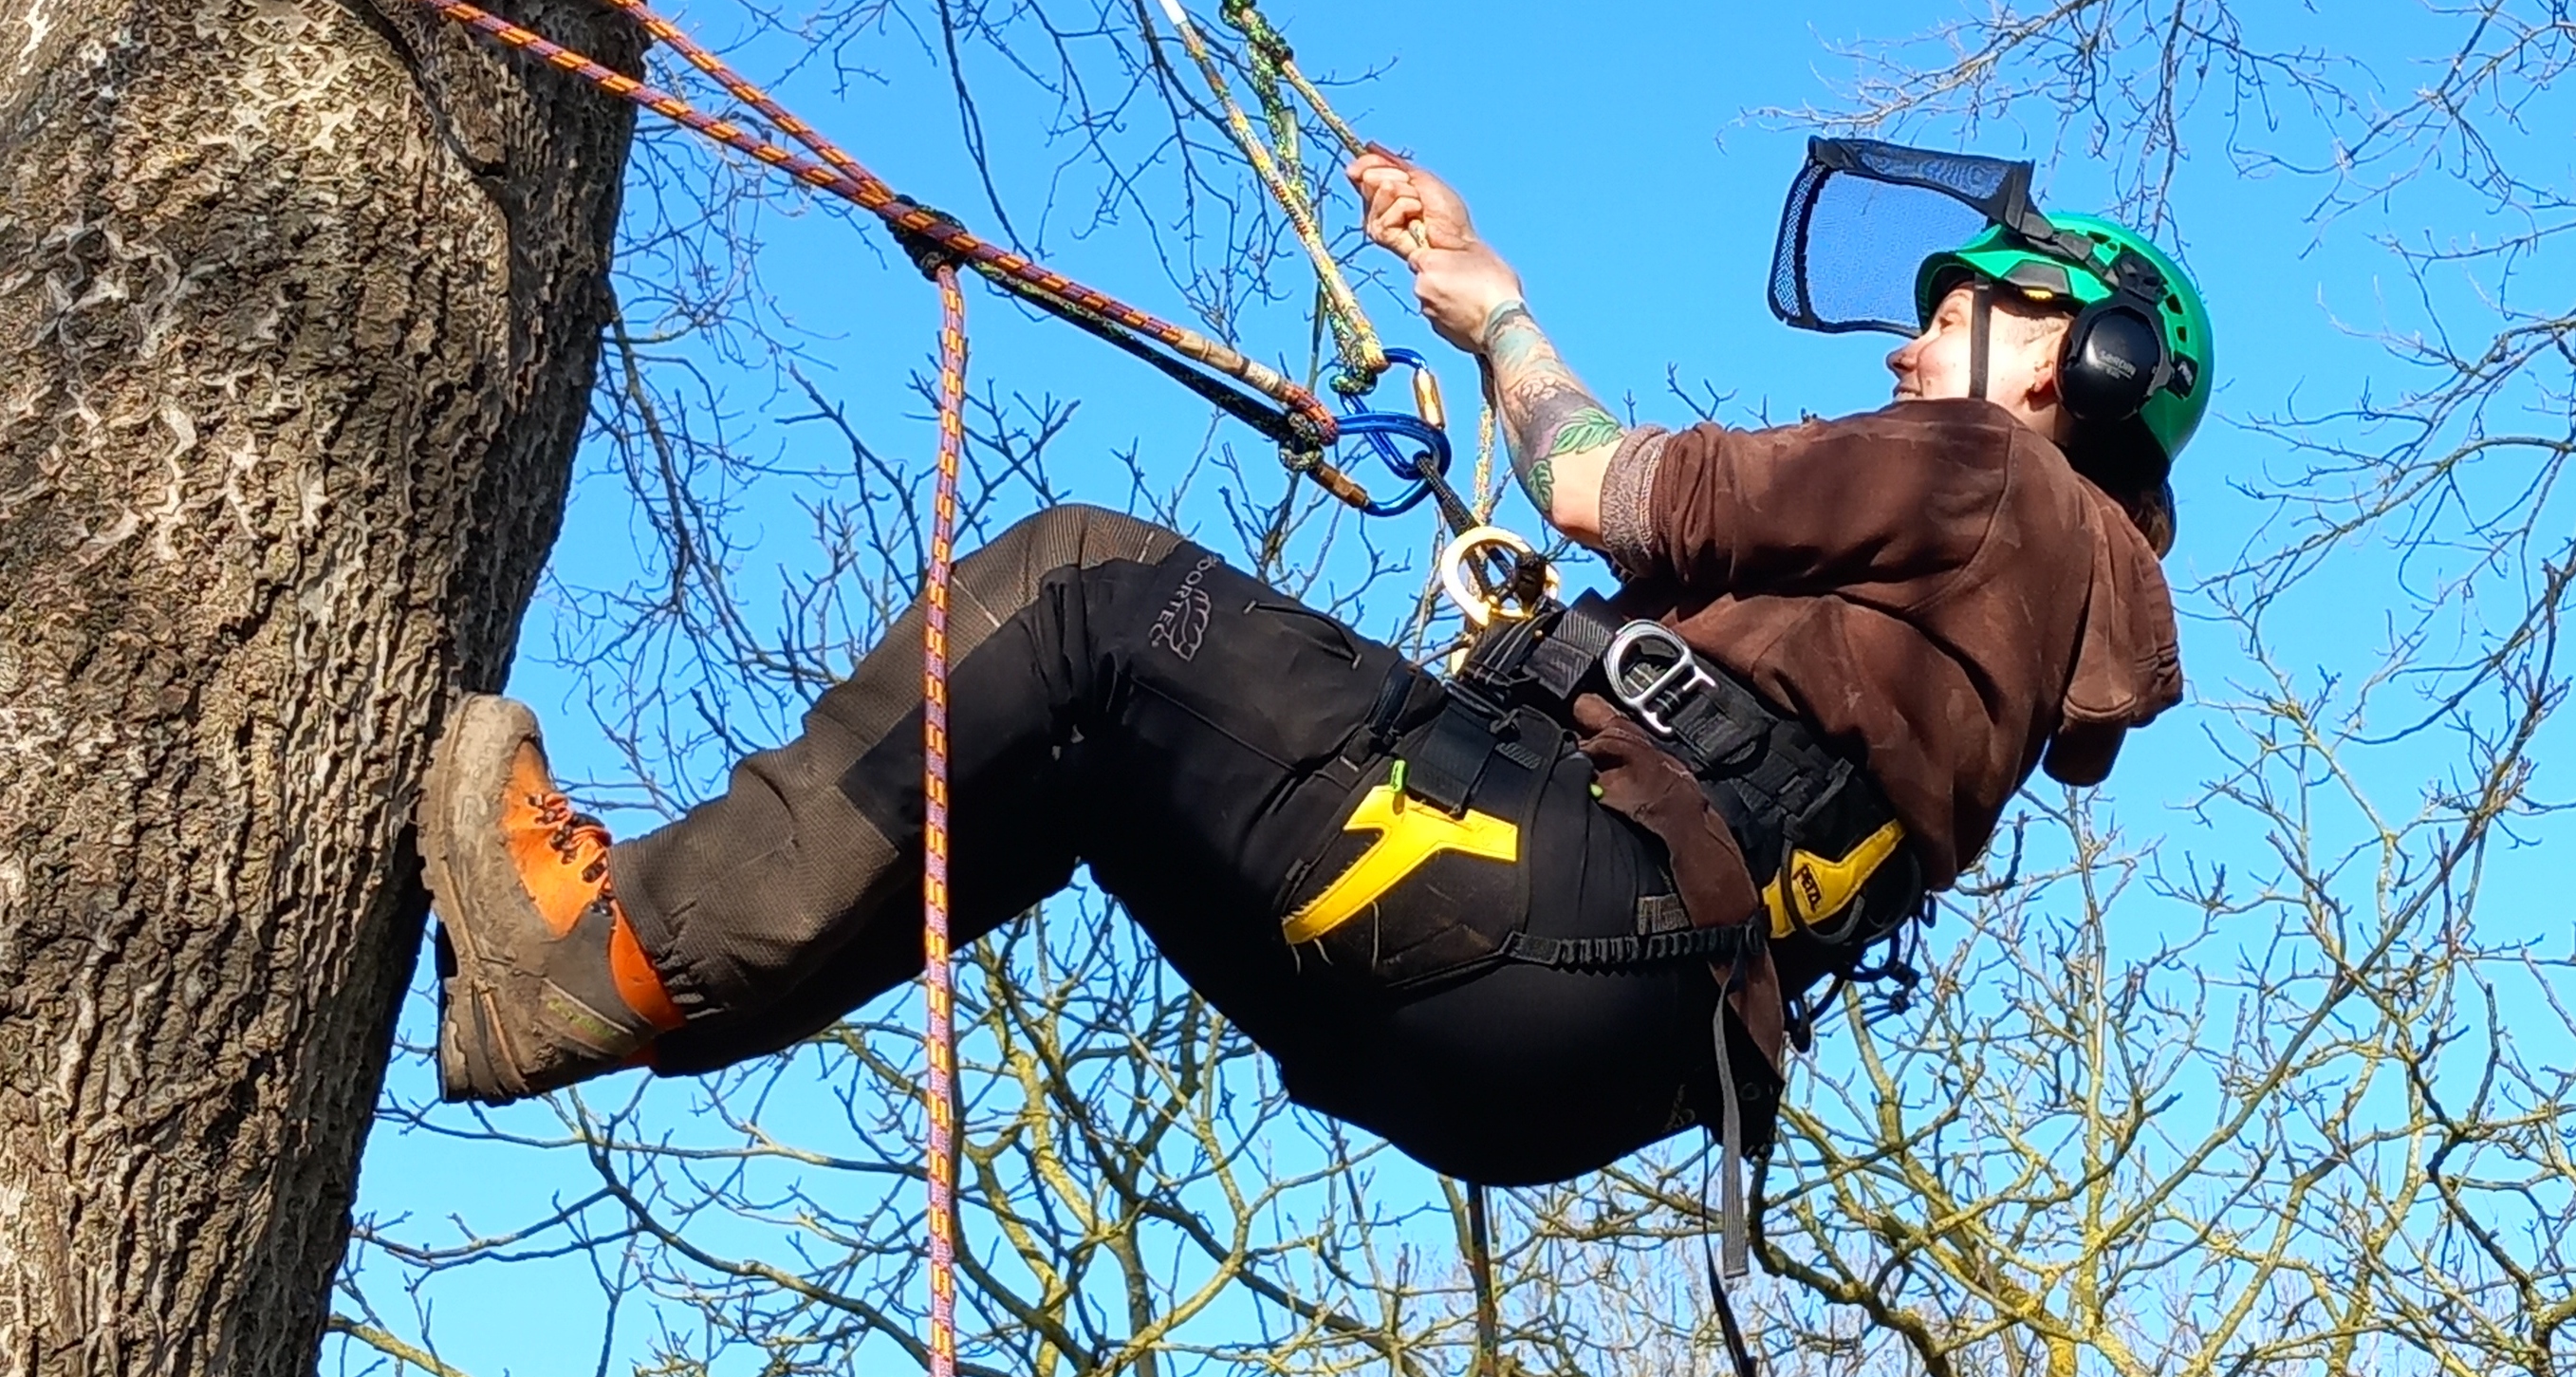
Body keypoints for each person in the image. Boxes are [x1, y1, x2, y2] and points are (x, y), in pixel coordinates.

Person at [417, 151, 2202, 1186]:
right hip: (1592, 1057)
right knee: (1076, 766)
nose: (1906, 346)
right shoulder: (2038, 628)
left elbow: (1602, 481)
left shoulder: (1987, 477)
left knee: (1080, 593)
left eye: (1960, 310)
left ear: (2076, 363)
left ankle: (609, 950)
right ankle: (656, 987)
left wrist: (1496, 312)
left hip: (1544, 899)